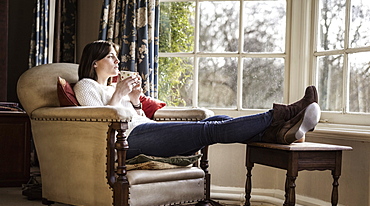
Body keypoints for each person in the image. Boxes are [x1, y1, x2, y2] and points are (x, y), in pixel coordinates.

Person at [74, 40, 321, 159]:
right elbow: (102, 123)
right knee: (209, 131)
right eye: (110, 57)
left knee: (220, 119)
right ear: (94, 62)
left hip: (144, 130)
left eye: (116, 57)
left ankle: (278, 134)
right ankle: (283, 115)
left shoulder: (118, 89)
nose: (117, 61)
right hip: (127, 143)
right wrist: (119, 95)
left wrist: (136, 101)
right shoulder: (85, 86)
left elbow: (137, 118)